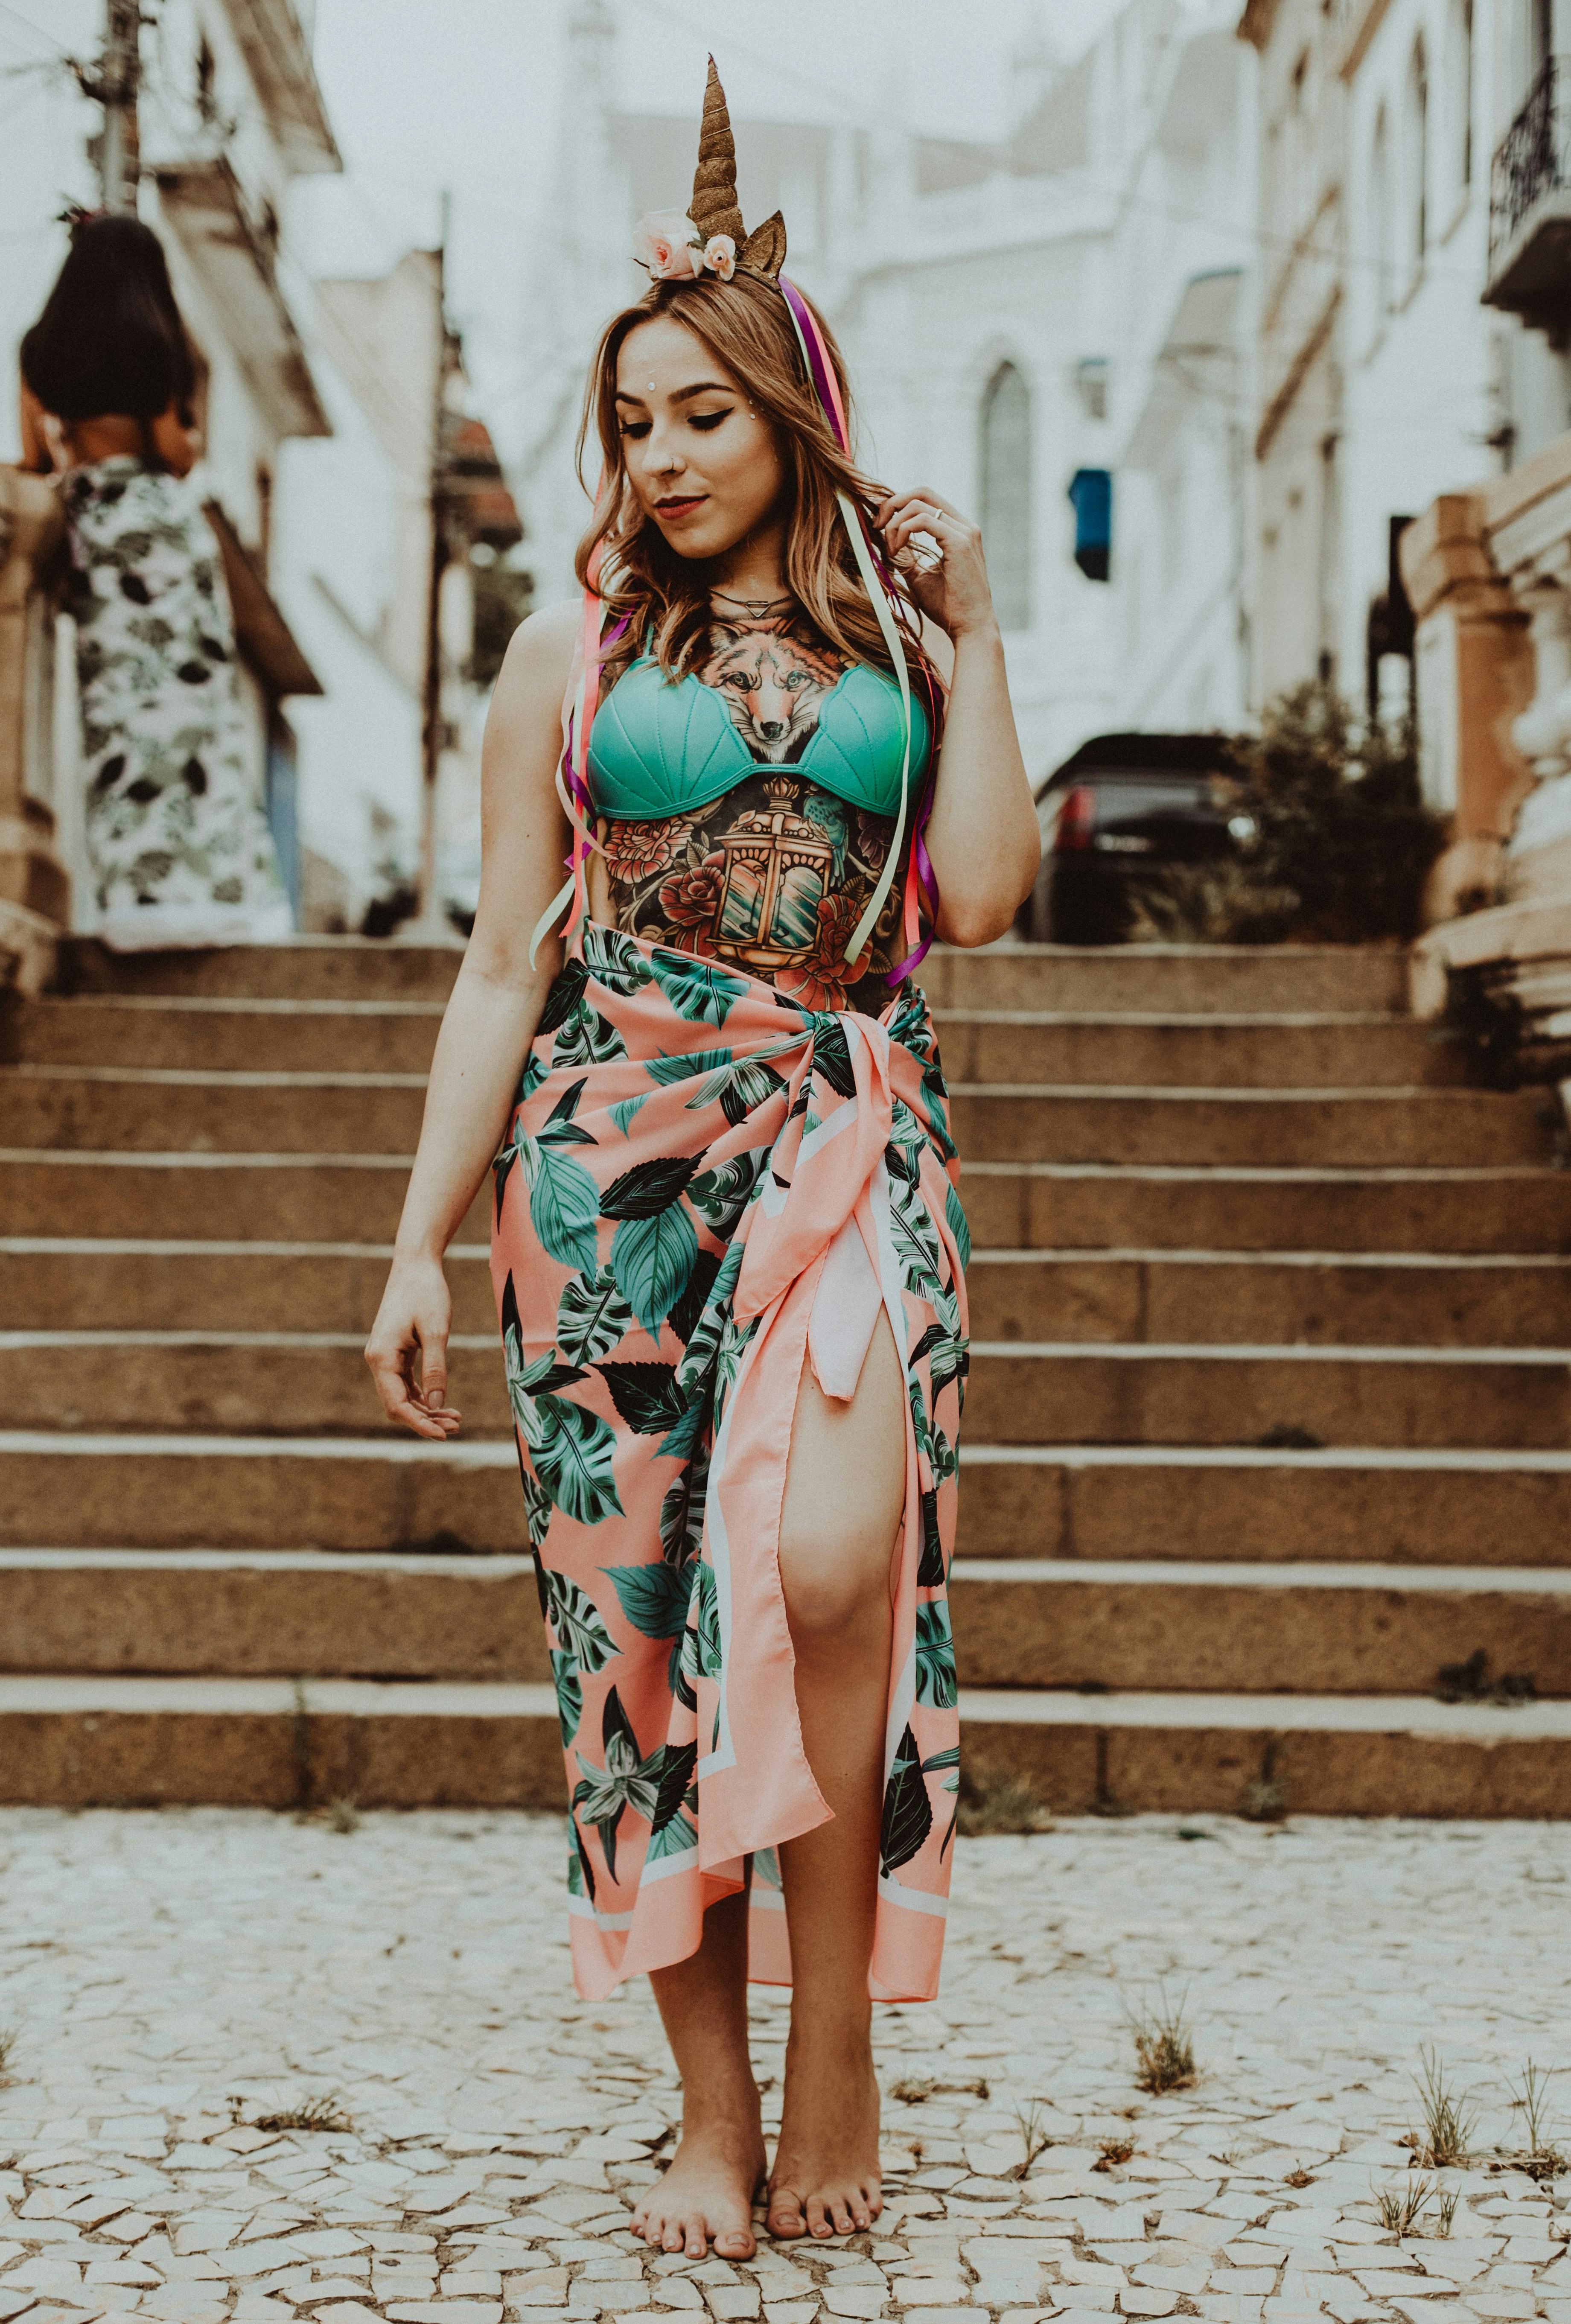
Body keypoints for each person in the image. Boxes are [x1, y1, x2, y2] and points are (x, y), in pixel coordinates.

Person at [366, 61, 1039, 2261]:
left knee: (839, 1577)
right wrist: (410, 1244)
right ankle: (710, 2106)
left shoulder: (908, 650)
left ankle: (838, 2027)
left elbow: (993, 897)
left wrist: (989, 628)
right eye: (632, 421)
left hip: (845, 1146)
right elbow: (494, 966)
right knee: (637, 1645)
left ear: (789, 417)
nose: (658, 457)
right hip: (601, 1180)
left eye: (700, 417)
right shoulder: (564, 656)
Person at [18, 211, 291, 949]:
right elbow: (177, 455)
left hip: (94, 532)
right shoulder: (159, 350)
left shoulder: (40, 352)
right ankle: (209, 895)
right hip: (163, 534)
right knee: (195, 724)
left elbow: (35, 458)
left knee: (120, 720)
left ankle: (136, 899)